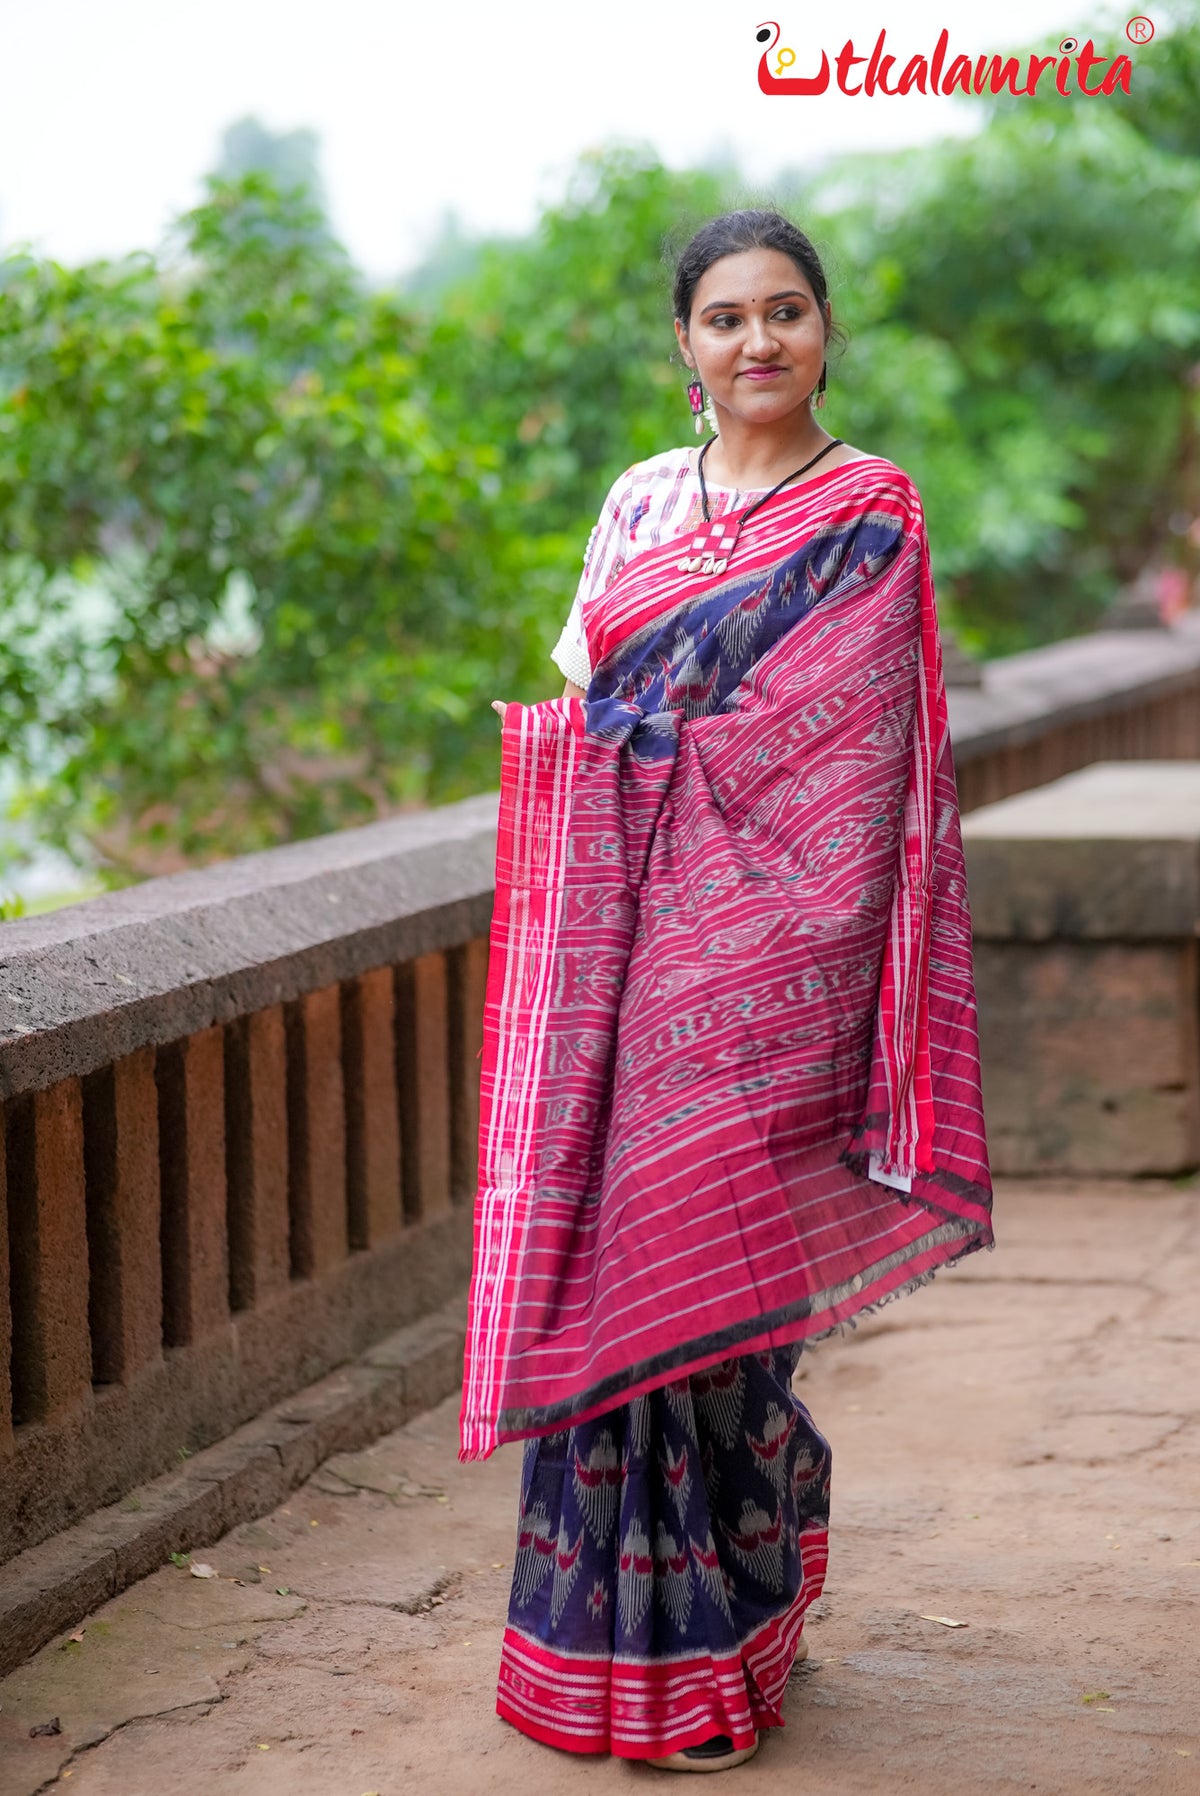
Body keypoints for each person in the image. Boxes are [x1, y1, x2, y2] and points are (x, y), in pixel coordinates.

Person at [460, 209, 992, 1773]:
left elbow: (850, 761)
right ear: (681, 347)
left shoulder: (870, 514)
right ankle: (637, 1667)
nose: (756, 342)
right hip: (618, 961)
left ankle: (718, 1660)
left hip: (782, 959)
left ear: (828, 331)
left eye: (785, 313)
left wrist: (660, 781)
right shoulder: (637, 502)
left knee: (709, 1284)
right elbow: (586, 702)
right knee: (610, 1283)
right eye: (723, 319)